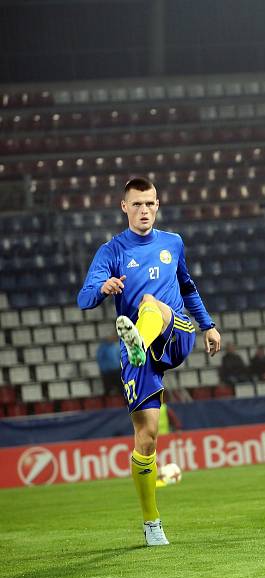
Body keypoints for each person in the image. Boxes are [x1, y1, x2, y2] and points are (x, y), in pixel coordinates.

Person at [77, 176, 221, 546]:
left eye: (150, 203)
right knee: (147, 437)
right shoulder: (110, 252)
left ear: (158, 205)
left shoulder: (172, 243)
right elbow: (83, 297)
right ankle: (151, 524)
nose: (144, 210)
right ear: (124, 207)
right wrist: (103, 289)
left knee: (149, 305)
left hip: (176, 331)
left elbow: (186, 285)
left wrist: (208, 325)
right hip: (138, 358)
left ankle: (139, 337)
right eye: (137, 204)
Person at [96, 332, 122, 398]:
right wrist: (103, 369)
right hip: (107, 371)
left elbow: (120, 357)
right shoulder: (103, 347)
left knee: (120, 388)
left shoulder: (116, 346)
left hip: (117, 370)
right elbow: (100, 358)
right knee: (108, 389)